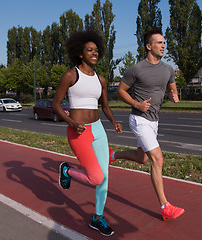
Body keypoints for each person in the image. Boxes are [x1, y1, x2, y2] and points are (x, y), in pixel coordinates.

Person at [52, 30, 122, 236]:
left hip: (98, 129)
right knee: (96, 177)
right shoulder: (71, 75)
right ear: (80, 53)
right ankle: (67, 171)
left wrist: (114, 122)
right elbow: (56, 105)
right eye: (90, 50)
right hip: (78, 132)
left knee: (105, 177)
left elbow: (105, 107)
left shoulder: (101, 80)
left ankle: (97, 218)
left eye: (97, 50)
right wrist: (72, 122)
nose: (95, 53)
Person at [110, 28, 185, 221]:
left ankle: (113, 155)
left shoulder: (168, 69)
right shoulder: (136, 69)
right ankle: (165, 207)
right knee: (157, 159)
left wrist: (173, 94)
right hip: (139, 119)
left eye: (164, 42)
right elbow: (120, 92)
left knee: (142, 158)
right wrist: (136, 104)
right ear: (148, 46)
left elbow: (171, 86)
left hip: (154, 121)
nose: (163, 45)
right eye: (159, 42)